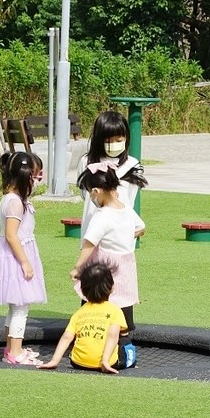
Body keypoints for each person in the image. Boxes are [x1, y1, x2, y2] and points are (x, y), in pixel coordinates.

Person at [0, 152, 48, 365]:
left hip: (15, 253)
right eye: (37, 177)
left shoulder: (14, 199)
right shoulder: (15, 203)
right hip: (14, 257)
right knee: (21, 307)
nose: (38, 181)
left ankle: (12, 349)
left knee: (15, 306)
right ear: (26, 176)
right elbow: (12, 235)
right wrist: (25, 262)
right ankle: (16, 353)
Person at [71, 163, 145, 331]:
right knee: (123, 301)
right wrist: (123, 235)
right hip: (126, 264)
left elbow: (89, 244)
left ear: (96, 191)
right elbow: (140, 228)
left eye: (90, 192)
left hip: (104, 265)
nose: (91, 196)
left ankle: (88, 332)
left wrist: (77, 268)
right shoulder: (126, 209)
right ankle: (124, 342)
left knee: (94, 298)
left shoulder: (102, 216)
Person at [37, 262, 133, 373]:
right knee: (125, 341)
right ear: (111, 287)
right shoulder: (115, 310)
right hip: (109, 363)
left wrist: (54, 361)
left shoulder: (79, 312)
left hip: (78, 362)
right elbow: (113, 335)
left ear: (82, 290)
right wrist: (105, 361)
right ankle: (126, 362)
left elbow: (67, 336)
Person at [77, 111, 148, 237]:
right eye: (108, 141)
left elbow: (130, 199)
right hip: (92, 227)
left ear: (126, 138)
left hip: (120, 231)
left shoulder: (132, 165)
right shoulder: (86, 162)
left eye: (119, 140)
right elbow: (85, 194)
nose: (114, 144)